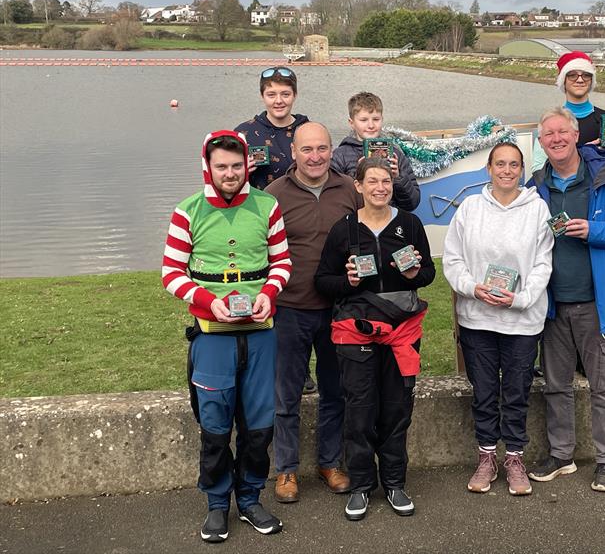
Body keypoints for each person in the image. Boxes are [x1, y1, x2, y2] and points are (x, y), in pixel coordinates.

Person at [161, 131, 292, 542]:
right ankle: (217, 505)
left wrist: (269, 294)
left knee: (258, 426)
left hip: (260, 334)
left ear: (246, 166)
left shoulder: (267, 205)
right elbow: (170, 273)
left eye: (237, 166)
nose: (230, 174)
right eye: (222, 167)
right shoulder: (188, 211)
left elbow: (282, 262)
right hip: (212, 336)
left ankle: (250, 499)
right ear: (209, 167)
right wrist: (205, 299)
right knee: (215, 426)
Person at [526, 108, 605, 493]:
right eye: (549, 134)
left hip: (597, 301)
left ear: (577, 135)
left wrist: (594, 230)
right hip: (551, 304)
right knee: (556, 385)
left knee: (602, 386)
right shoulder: (536, 185)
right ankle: (562, 455)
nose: (557, 139)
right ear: (541, 142)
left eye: (563, 132)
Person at [315, 157, 435, 521]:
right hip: (357, 330)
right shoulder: (344, 230)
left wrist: (414, 272)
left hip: (402, 331)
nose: (380, 188)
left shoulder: (410, 224)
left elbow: (428, 273)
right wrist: (348, 282)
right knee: (360, 411)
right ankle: (362, 486)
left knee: (397, 409)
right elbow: (323, 280)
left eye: (386, 181)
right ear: (359, 185)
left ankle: (396, 483)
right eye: (373, 181)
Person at [442, 142, 553, 496]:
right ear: (488, 169)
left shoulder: (537, 210)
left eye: (514, 165)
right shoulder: (471, 208)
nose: (507, 170)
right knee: (485, 393)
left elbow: (542, 264)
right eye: (500, 164)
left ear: (522, 170)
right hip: (478, 318)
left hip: (522, 320)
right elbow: (453, 259)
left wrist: (520, 299)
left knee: (517, 392)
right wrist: (472, 288)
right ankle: (487, 456)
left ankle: (515, 458)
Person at [266, 122, 359, 503]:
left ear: (331, 149)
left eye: (322, 148)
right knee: (285, 394)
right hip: (290, 309)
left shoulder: (348, 190)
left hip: (338, 309)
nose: (316, 156)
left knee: (335, 391)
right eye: (307, 149)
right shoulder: (274, 195)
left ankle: (329, 461)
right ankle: (286, 470)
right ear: (293, 152)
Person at [330, 91, 420, 211]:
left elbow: (412, 203)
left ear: (382, 119)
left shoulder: (395, 154)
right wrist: (357, 175)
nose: (371, 125)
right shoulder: (340, 155)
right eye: (363, 120)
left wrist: (398, 178)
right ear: (351, 123)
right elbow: (334, 201)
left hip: (390, 221)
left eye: (376, 119)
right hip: (356, 222)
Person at [235, 66, 310, 190]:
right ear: (262, 96)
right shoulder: (244, 134)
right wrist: (238, 173)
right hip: (261, 206)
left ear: (295, 95)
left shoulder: (309, 130)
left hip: (302, 206)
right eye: (271, 95)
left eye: (285, 94)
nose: (278, 101)